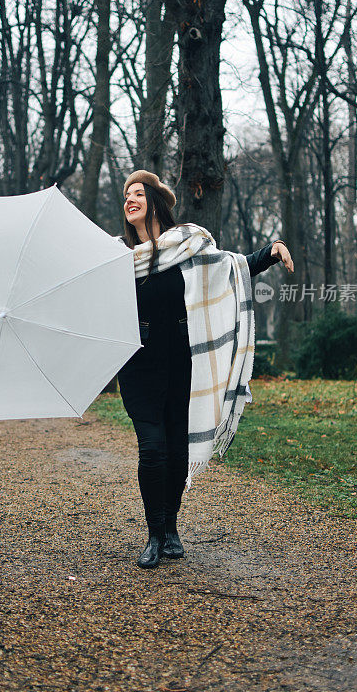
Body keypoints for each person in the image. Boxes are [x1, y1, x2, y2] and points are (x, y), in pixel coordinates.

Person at [116, 170, 294, 569]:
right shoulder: (117, 259)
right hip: (140, 369)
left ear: (155, 202)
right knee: (153, 451)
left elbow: (232, 268)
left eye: (138, 192)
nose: (129, 199)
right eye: (126, 194)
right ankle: (154, 534)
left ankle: (172, 528)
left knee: (178, 451)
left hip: (183, 366)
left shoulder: (187, 246)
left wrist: (271, 251)